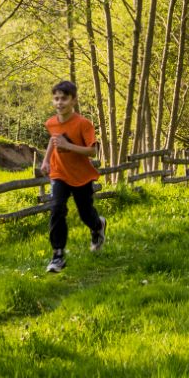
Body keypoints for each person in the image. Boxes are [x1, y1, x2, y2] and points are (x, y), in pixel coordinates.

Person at [42, 80, 106, 274]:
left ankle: (98, 226)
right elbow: (54, 142)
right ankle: (58, 255)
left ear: (73, 100)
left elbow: (92, 152)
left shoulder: (83, 124)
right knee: (56, 209)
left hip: (81, 177)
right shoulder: (51, 123)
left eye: (64, 98)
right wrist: (45, 161)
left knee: (86, 213)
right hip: (59, 172)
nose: (59, 103)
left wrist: (68, 146)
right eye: (56, 99)